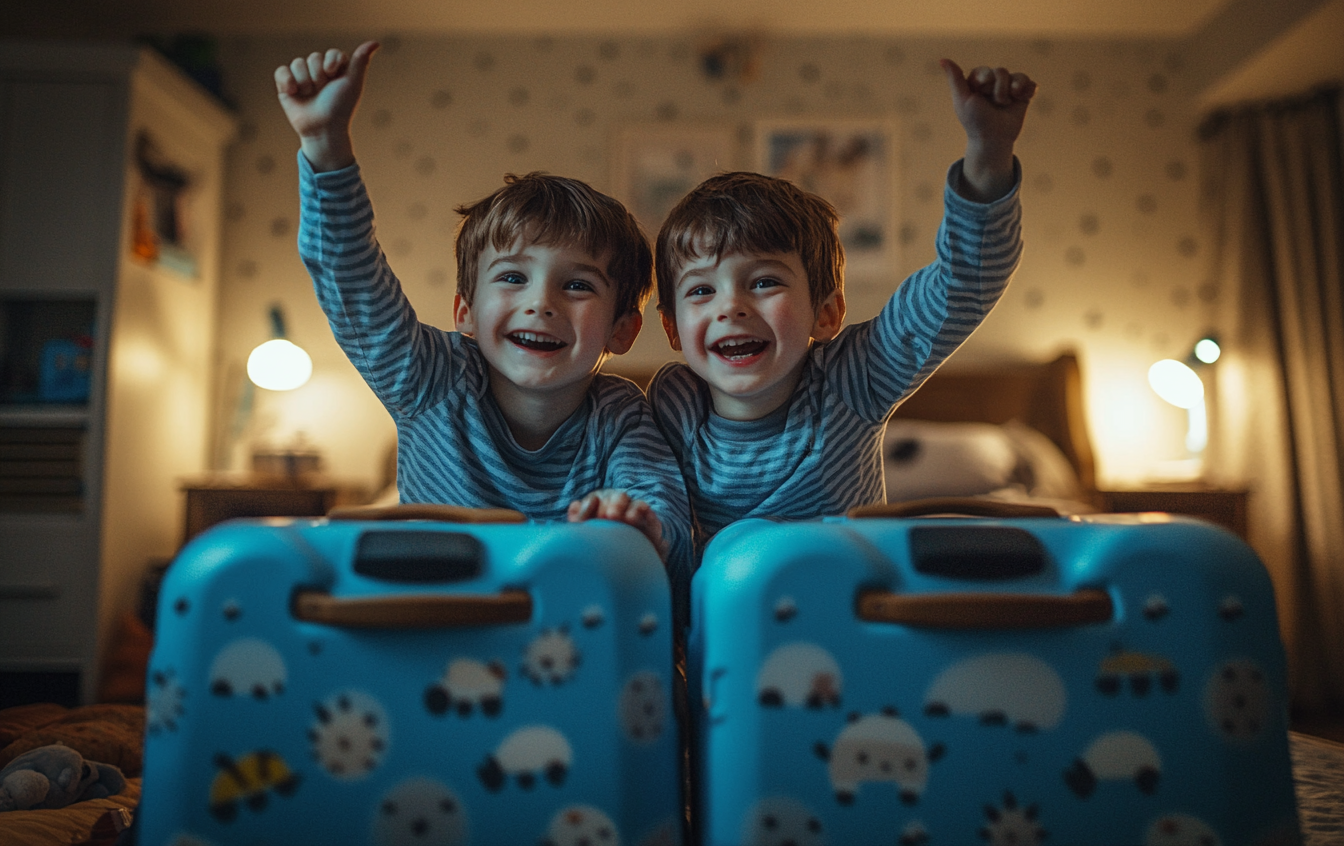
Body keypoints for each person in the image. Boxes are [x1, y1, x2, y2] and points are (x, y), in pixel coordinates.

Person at [275, 41, 693, 611]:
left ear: (622, 329)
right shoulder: (429, 380)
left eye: (577, 285)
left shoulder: (621, 414)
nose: (541, 303)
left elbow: (662, 510)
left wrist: (643, 528)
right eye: (513, 278)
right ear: (465, 312)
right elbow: (352, 281)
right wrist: (326, 150)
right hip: (444, 621)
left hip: (567, 638)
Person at [649, 59, 1035, 545]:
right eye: (702, 290)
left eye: (764, 282)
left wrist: (989, 151)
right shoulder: (672, 407)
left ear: (826, 312)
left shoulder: (854, 378)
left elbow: (961, 284)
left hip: (851, 604)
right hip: (733, 613)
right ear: (671, 329)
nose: (731, 306)